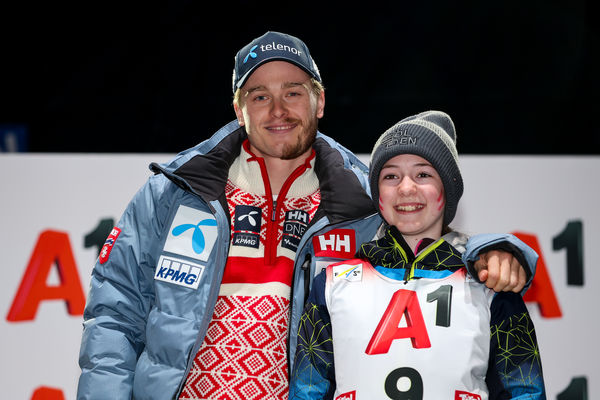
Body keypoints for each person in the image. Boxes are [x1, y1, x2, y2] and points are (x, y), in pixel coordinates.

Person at [77, 32, 536, 400]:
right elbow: (114, 313)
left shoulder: (362, 199)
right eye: (259, 96)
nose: (278, 110)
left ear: (319, 101)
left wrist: (491, 251)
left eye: (293, 93)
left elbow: (426, 247)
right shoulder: (176, 190)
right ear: (238, 109)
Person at [289, 111, 546, 399]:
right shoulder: (331, 284)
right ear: (377, 193)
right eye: (391, 176)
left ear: (448, 187)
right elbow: (308, 390)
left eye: (423, 174)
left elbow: (524, 391)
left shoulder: (489, 283)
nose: (406, 188)